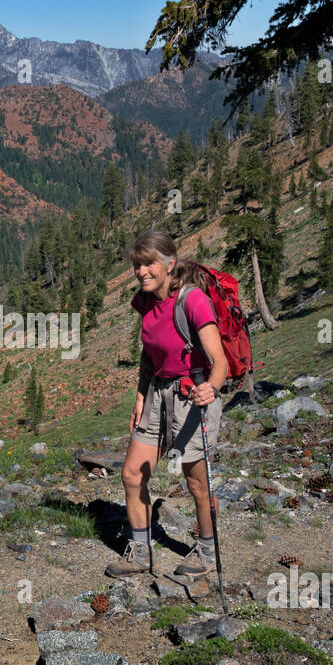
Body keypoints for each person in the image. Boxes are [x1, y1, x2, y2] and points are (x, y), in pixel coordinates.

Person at [107, 231, 228, 578]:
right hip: (157, 393)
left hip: (192, 393)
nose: (142, 271)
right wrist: (141, 396)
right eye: (137, 265)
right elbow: (150, 353)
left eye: (149, 264)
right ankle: (141, 552)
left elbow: (218, 360)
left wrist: (213, 389)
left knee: (196, 483)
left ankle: (207, 552)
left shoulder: (193, 301)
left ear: (169, 264)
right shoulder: (146, 301)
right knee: (132, 474)